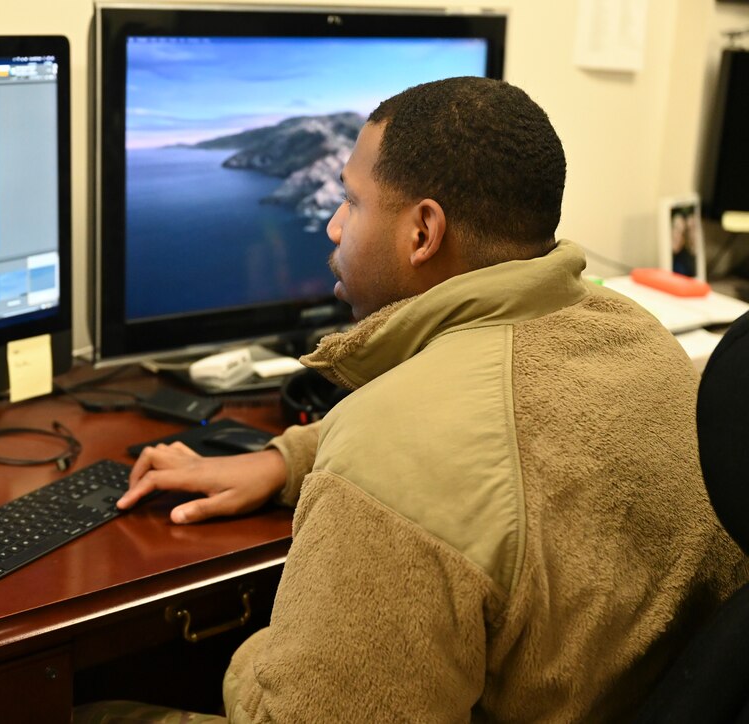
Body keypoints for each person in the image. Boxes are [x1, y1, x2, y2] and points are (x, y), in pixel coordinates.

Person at [97, 77, 749, 721]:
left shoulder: (395, 448)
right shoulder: (632, 331)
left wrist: (252, 660)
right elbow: (506, 440)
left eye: (351, 202)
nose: (331, 226)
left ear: (422, 233)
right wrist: (288, 459)